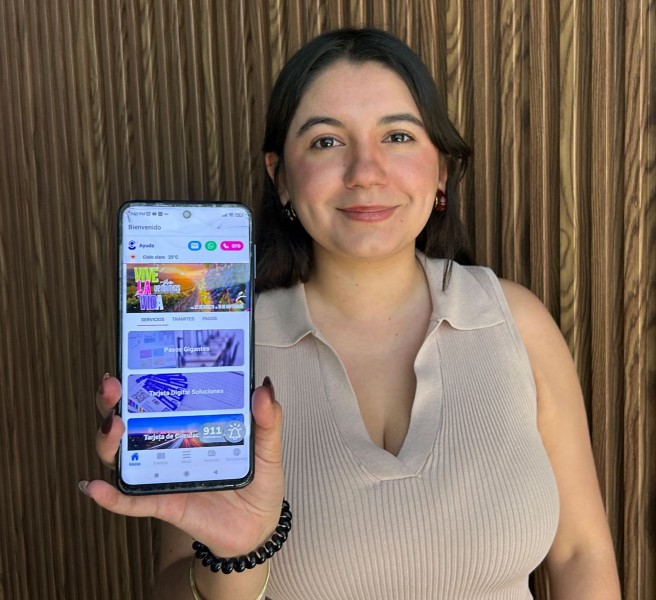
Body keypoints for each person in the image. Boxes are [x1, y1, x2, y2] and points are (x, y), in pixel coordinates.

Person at [83, 28, 621, 599]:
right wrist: (235, 555)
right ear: (281, 178)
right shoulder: (217, 355)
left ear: (440, 171)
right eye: (325, 141)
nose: (366, 170)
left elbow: (581, 553)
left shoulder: (518, 323)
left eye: (398, 135)